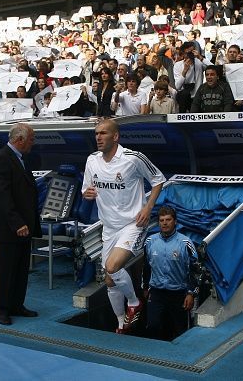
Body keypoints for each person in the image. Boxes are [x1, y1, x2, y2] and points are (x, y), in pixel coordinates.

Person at [81, 119, 166, 334]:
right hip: (109, 228)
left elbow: (158, 180)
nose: (98, 137)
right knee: (110, 281)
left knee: (112, 267)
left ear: (115, 136)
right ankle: (120, 322)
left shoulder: (133, 158)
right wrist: (87, 194)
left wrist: (147, 208)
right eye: (96, 133)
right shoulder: (92, 160)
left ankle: (134, 302)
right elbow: (86, 189)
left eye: (103, 133)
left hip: (132, 225)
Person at [0, 123, 40, 326]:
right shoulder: (1, 158)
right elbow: (2, 195)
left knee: (20, 269)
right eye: (31, 139)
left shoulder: (21, 159)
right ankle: (1, 308)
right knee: (5, 271)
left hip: (24, 226)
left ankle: (17, 304)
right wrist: (17, 222)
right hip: (8, 228)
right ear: (20, 140)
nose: (33, 143)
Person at [142, 206, 198, 340]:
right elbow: (146, 266)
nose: (165, 223)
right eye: (161, 220)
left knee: (180, 331)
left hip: (179, 294)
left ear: (175, 221)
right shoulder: (150, 241)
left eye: (168, 219)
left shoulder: (186, 243)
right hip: (156, 292)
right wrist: (145, 287)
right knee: (153, 326)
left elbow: (196, 270)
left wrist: (191, 293)